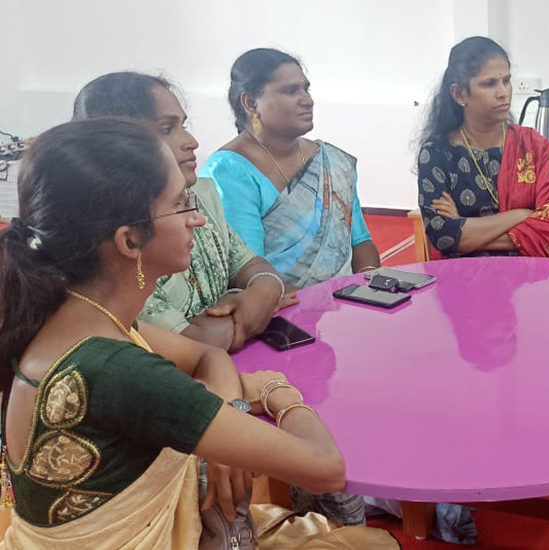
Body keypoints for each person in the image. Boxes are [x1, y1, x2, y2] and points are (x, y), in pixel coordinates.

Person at [0, 118, 397, 548]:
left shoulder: (71, 318)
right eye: (183, 203)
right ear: (130, 241)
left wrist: (232, 408)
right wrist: (280, 393)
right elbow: (325, 467)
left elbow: (208, 357)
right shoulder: (119, 370)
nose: (199, 220)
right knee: (374, 543)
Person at [72, 72, 298, 353]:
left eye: (183, 125)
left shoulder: (200, 195)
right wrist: (255, 305)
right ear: (117, 145)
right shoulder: (116, 240)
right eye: (167, 129)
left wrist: (261, 291)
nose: (191, 141)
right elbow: (194, 344)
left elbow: (255, 268)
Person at [201, 48, 379, 287]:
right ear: (251, 103)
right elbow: (248, 272)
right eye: (291, 91)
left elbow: (361, 241)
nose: (307, 100)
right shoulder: (228, 173)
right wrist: (321, 304)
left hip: (347, 302)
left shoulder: (330, 160)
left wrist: (369, 286)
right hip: (277, 311)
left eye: (306, 89)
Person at [417, 36, 549, 259]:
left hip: (529, 279)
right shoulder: (438, 154)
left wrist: (466, 229)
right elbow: (444, 236)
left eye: (506, 80)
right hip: (463, 281)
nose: (503, 92)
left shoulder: (534, 147)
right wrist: (523, 215)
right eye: (489, 84)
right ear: (459, 94)